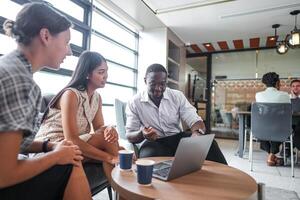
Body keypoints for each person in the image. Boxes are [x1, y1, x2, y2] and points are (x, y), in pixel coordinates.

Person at [0, 3, 91, 200]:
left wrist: (49, 146)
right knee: (70, 163)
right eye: (67, 42)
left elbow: (8, 143)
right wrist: (57, 156)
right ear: (46, 36)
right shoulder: (21, 82)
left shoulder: (9, 67)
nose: (70, 52)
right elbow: (4, 174)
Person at [35, 51, 121, 182]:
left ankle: (122, 192)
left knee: (120, 148)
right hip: (53, 146)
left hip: (74, 145)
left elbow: (99, 128)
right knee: (115, 151)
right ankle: (124, 192)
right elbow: (71, 139)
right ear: (87, 74)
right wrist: (109, 157)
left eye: (106, 71)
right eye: (101, 72)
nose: (106, 76)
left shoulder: (97, 97)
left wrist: (109, 128)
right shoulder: (71, 94)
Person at [125, 63, 227, 165]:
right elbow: (129, 135)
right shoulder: (134, 102)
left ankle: (227, 177)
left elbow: (195, 120)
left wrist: (197, 133)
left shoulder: (177, 96)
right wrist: (142, 134)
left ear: (166, 82)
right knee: (151, 156)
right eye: (153, 83)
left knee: (210, 145)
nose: (158, 88)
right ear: (145, 81)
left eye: (162, 84)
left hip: (177, 137)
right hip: (154, 142)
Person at [255, 72, 290, 166]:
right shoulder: (285, 95)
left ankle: (271, 154)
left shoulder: (258, 95)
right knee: (280, 125)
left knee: (267, 127)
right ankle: (272, 154)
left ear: (264, 83)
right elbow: (286, 113)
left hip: (261, 129)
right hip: (279, 128)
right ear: (277, 82)